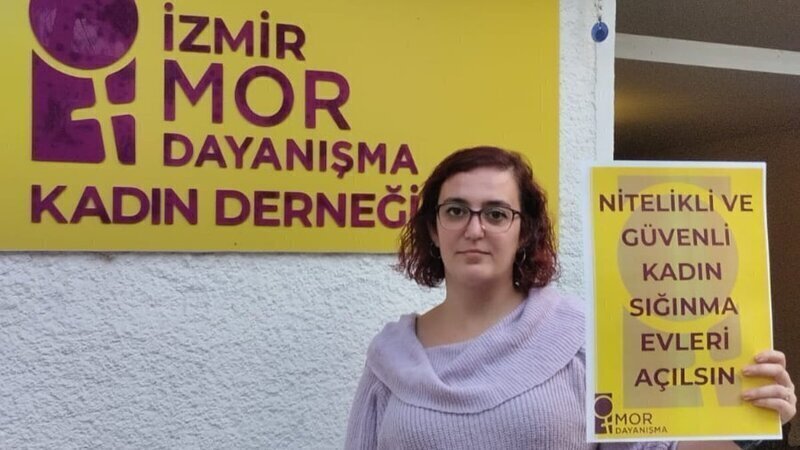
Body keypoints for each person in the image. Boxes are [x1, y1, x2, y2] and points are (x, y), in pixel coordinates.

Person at [345, 146, 796, 449]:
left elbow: (660, 445)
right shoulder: (392, 356)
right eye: (456, 210)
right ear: (433, 227)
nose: (474, 228)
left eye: (497, 214)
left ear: (525, 231)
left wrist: (752, 421)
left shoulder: (583, 338)